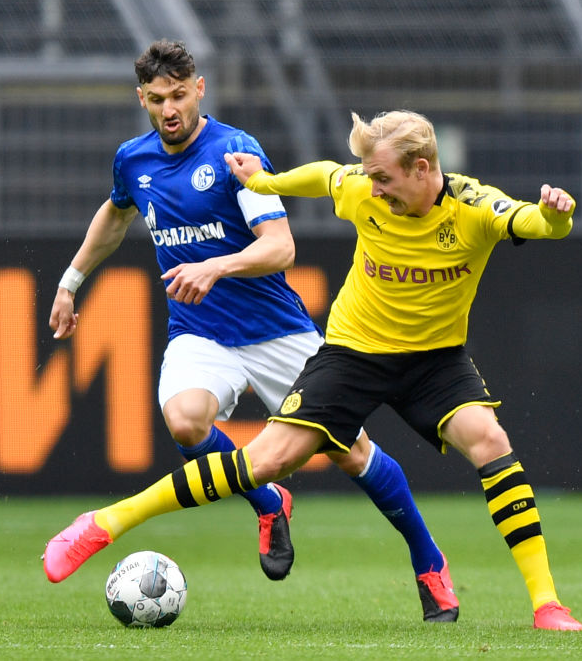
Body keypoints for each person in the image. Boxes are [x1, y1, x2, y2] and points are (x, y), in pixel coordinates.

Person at [43, 108, 582, 631]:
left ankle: (546, 604)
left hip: (434, 360)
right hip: (353, 353)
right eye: (370, 177)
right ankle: (105, 523)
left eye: (383, 178)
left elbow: (535, 222)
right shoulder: (362, 189)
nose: (373, 189)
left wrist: (557, 215)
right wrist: (263, 183)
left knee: (489, 439)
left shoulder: (472, 207)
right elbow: (326, 176)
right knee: (267, 462)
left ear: (422, 169)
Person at [44, 40, 459, 623]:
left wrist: (216, 266)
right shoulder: (132, 160)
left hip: (275, 331)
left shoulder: (235, 150)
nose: (170, 109)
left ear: (200, 89)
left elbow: (280, 247)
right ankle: (268, 502)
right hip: (201, 334)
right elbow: (116, 214)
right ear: (141, 98)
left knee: (350, 452)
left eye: (180, 96)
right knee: (185, 419)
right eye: (157, 99)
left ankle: (428, 561)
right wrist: (70, 280)